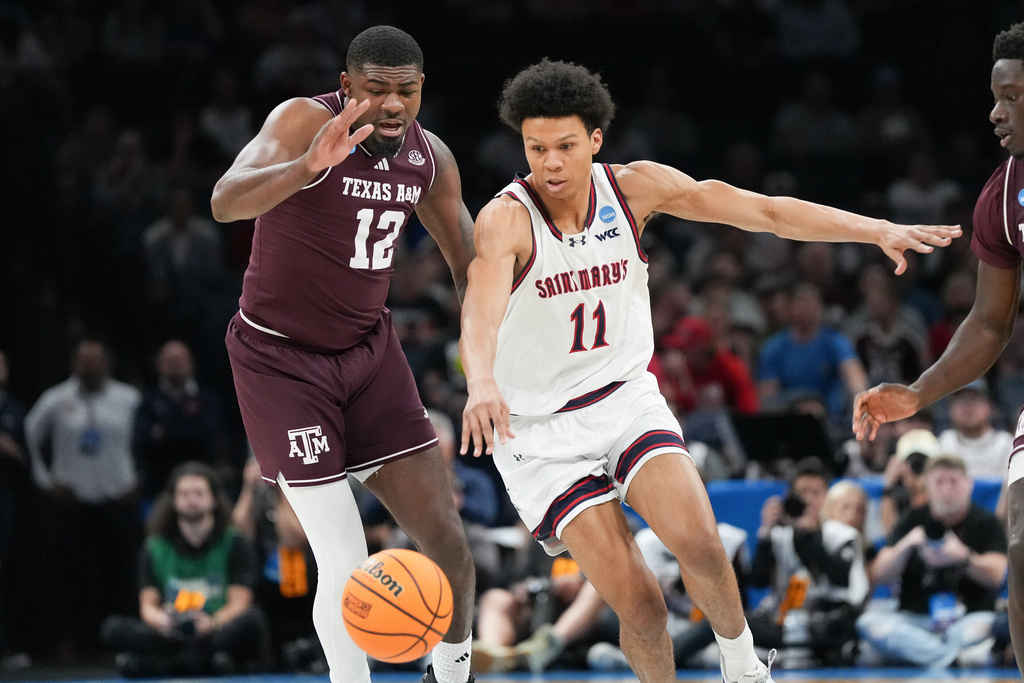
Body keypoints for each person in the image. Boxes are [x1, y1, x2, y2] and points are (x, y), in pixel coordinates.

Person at [458, 58, 959, 683]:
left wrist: (875, 228)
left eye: (565, 146)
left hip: (623, 398)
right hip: (538, 430)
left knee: (699, 542)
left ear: (595, 140)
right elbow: (479, 313)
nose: (551, 163)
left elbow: (766, 211)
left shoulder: (635, 188)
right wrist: (479, 382)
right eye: (536, 149)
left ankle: (743, 666)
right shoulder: (506, 218)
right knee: (641, 607)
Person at [210, 25, 477, 683]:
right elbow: (223, 201)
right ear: (347, 86)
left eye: (406, 91)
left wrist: (492, 357)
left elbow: (468, 266)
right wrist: (306, 168)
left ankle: (453, 674)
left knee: (448, 543)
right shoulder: (303, 119)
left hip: (369, 354)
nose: (392, 105)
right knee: (346, 555)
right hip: (281, 362)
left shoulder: (430, 156)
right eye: (377, 90)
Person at [852, 21, 1024, 677]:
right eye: (993, 95)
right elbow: (987, 322)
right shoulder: (1003, 195)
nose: (994, 112)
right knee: (1022, 540)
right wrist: (921, 392)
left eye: (1011, 96)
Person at [24, 339, 144, 662]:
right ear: (73, 363)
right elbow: (29, 437)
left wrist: (139, 480)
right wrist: (46, 483)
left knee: (120, 577)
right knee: (69, 579)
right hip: (72, 503)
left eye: (96, 359)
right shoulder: (55, 399)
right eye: (84, 359)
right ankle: (70, 643)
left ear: (108, 362)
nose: (90, 365)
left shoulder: (129, 399)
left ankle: (121, 643)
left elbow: (147, 442)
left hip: (117, 500)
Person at [101, 461, 271, 677]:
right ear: (173, 500)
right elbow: (148, 606)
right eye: (184, 494)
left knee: (253, 621)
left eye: (199, 493)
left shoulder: (234, 542)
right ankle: (203, 664)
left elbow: (240, 601)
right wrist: (162, 621)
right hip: (172, 634)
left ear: (213, 499)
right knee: (113, 628)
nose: (191, 499)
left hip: (214, 630)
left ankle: (163, 667)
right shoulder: (155, 547)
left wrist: (211, 623)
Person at [856, 454, 1007, 668]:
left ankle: (921, 653)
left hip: (966, 619)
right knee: (868, 623)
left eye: (953, 481)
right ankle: (953, 658)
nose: (946, 489)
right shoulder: (912, 519)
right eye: (939, 482)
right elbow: (880, 574)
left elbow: (998, 575)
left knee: (986, 625)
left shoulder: (985, 522)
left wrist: (964, 557)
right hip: (915, 620)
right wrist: (906, 545)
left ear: (968, 485)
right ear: (927, 486)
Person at [134, 339, 223, 503]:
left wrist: (164, 433)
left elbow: (208, 437)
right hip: (158, 486)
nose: (175, 364)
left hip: (201, 481)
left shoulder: (207, 399)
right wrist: (190, 431)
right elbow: (143, 441)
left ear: (191, 363)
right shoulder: (148, 400)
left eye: (180, 360)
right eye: (170, 360)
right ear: (159, 364)